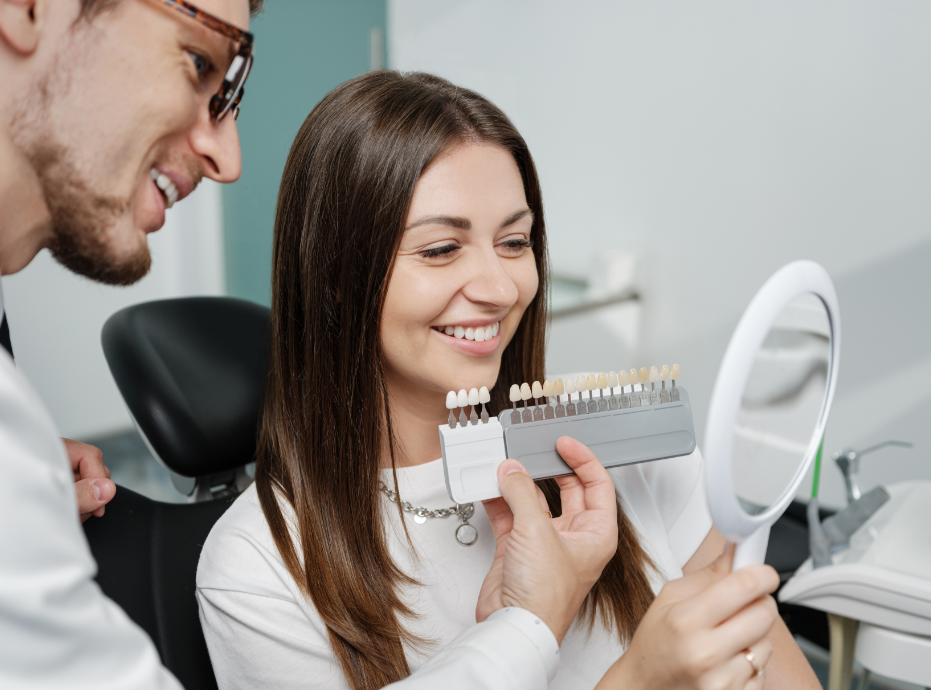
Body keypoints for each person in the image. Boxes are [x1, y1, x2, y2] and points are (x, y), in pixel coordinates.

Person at [0, 1, 647, 688]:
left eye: (514, 241)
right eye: (197, 61)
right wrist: (577, 650)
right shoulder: (257, 568)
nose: (228, 157)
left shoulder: (617, 466)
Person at [196, 71, 821, 690]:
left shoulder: (615, 437)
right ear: (334, 274)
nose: (501, 289)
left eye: (515, 241)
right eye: (441, 249)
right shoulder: (256, 571)